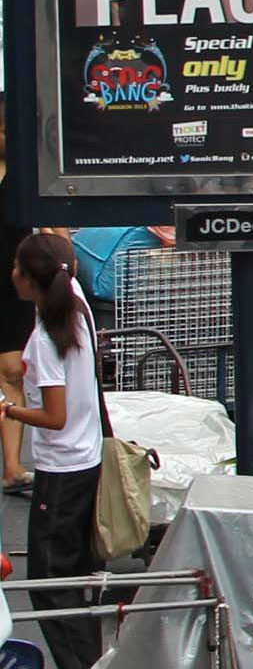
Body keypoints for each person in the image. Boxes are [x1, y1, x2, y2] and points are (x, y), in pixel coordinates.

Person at [8, 237, 102, 669]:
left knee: (48, 583)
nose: (11, 274)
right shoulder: (78, 304)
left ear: (31, 280)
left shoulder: (47, 339)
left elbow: (54, 416)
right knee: (71, 577)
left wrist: (8, 409)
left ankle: (79, 663)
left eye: (17, 267)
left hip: (61, 469)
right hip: (86, 458)